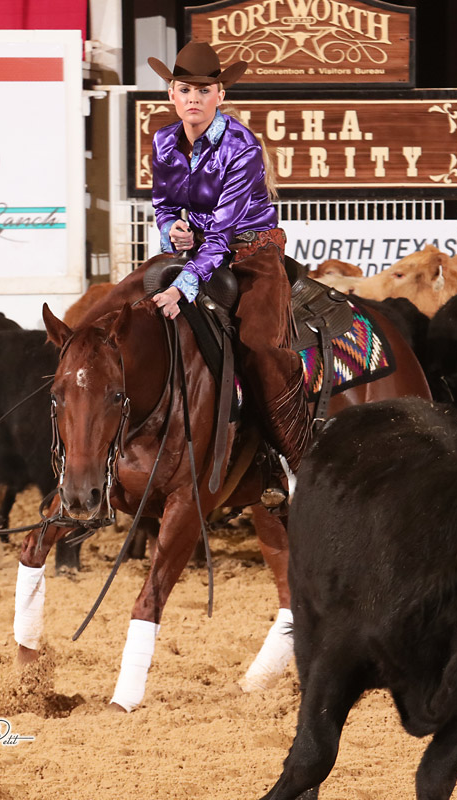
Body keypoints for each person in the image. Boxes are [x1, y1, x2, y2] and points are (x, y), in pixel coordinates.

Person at [72, 41, 312, 485]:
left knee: (260, 346)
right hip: (192, 250)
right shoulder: (163, 141)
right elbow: (164, 205)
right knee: (109, 310)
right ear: (172, 95)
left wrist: (184, 285)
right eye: (185, 89)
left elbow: (222, 233)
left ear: (220, 96)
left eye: (205, 90)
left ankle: (298, 465)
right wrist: (172, 233)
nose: (194, 99)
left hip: (252, 253)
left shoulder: (242, 146)